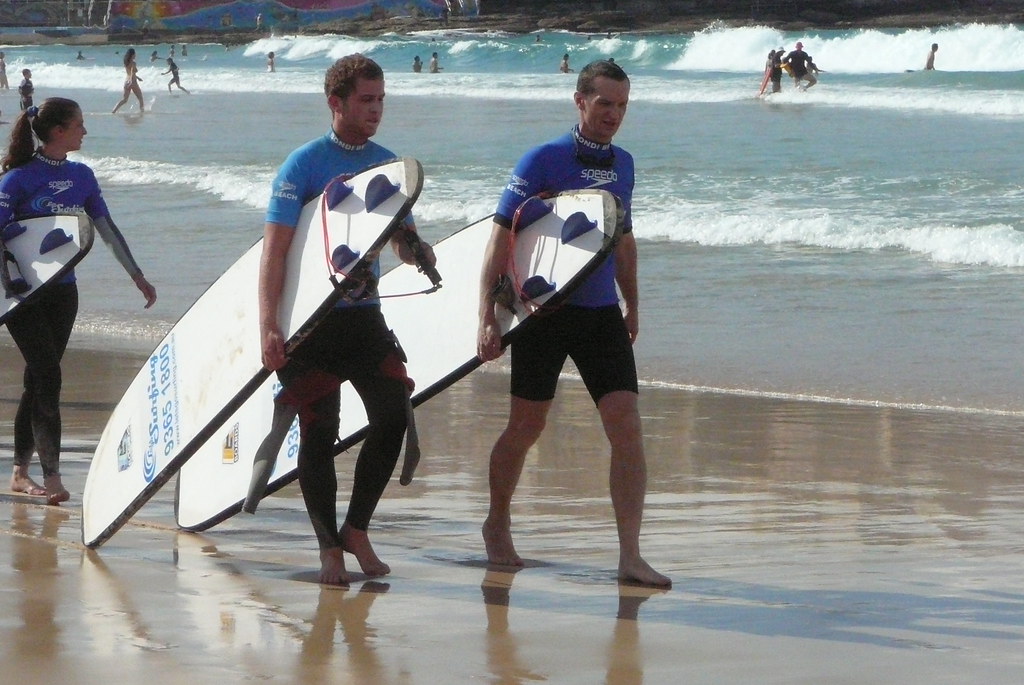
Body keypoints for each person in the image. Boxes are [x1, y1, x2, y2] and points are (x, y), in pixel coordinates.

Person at [475, 60, 671, 588]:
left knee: (626, 424)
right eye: (605, 103)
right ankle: (497, 521)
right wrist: (487, 316)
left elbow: (622, 240)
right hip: (543, 314)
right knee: (526, 426)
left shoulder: (625, 165)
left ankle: (630, 554)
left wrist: (633, 304)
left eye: (623, 105)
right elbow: (499, 239)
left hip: (599, 312)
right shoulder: (542, 160)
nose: (614, 115)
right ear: (580, 101)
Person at [258, 54, 435, 585]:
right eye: (366, 100)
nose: (376, 110)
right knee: (320, 432)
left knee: (392, 416)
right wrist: (269, 323)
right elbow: (275, 251)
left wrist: (417, 249)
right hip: (311, 325)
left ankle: (356, 529)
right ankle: (328, 548)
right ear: (336, 103)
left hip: (364, 316)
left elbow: (400, 242)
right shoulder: (303, 166)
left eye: (381, 100)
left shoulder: (389, 165)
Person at [1, 98, 157, 505]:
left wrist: (136, 275)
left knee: (39, 377)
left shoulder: (82, 177)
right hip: (21, 295)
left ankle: (19, 473)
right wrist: (11, 281)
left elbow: (104, 229)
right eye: (79, 125)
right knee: (48, 374)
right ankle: (52, 476)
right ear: (58, 132)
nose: (85, 131)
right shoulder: (15, 180)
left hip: (63, 291)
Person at [112, 48, 144, 113]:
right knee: (140, 98)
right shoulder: (133, 63)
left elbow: (130, 73)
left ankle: (114, 110)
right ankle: (142, 112)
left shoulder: (126, 63)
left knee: (125, 100)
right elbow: (132, 72)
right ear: (132, 55)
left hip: (126, 82)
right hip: (133, 82)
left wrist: (137, 78)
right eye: (135, 54)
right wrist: (132, 81)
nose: (136, 55)